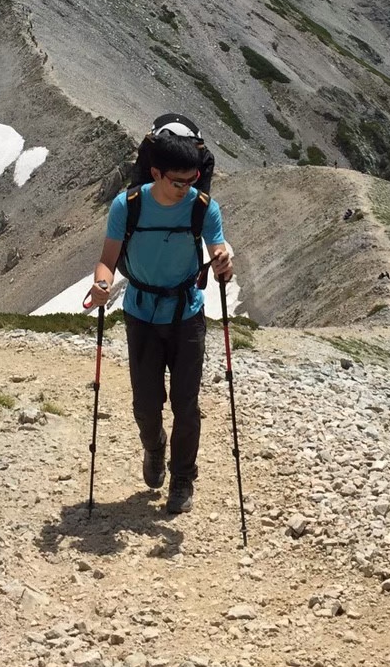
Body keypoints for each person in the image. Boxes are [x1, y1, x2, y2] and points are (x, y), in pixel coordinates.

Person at [85, 129, 233, 515]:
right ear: (155, 173)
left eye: (192, 180)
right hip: (141, 313)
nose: (186, 188)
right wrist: (102, 284)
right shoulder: (127, 205)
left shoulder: (203, 207)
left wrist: (222, 259)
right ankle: (154, 446)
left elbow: (218, 245)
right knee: (146, 405)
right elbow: (107, 260)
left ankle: (183, 476)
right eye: (177, 181)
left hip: (187, 313)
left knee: (187, 404)